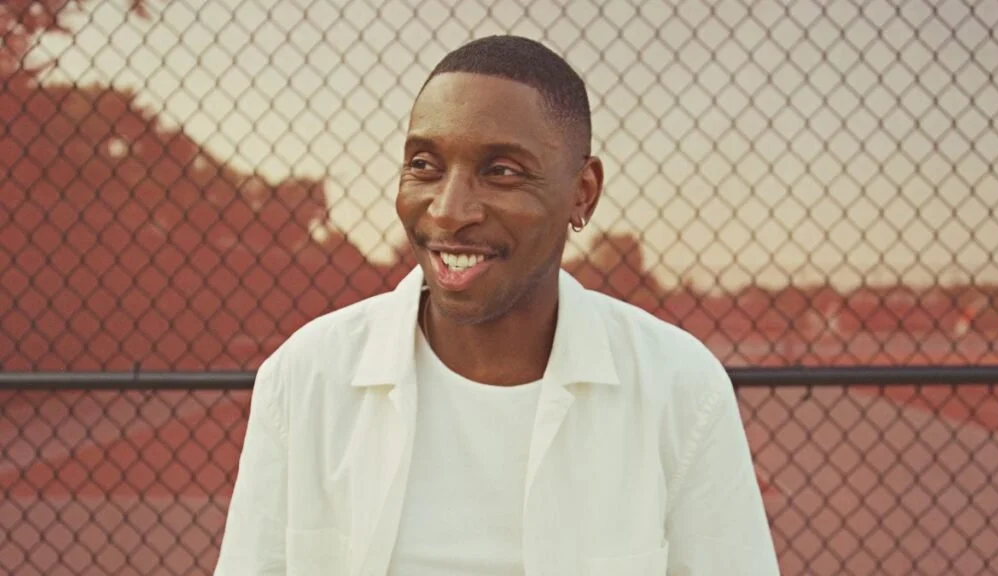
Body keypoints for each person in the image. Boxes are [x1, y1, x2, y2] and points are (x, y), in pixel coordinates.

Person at [213, 35, 779, 575]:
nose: (448, 209)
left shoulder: (680, 389)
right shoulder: (305, 378)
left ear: (582, 193)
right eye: (424, 165)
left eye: (502, 171)